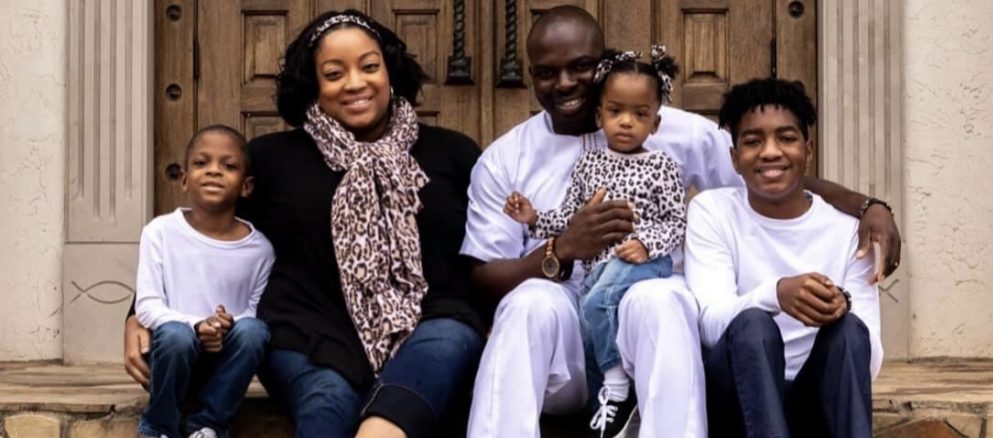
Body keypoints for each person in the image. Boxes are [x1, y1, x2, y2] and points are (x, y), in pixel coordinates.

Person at [461, 5, 900, 438]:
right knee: (528, 303)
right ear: (530, 75)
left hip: (647, 320)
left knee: (663, 297)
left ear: (605, 65)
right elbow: (483, 276)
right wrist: (561, 248)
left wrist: (867, 206)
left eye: (580, 67)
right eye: (546, 72)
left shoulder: (673, 130)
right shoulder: (506, 159)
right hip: (564, 339)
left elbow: (771, 171)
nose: (565, 83)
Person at [125, 10, 485, 438]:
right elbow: (205, 232)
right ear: (313, 84)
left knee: (442, 348)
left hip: (432, 326)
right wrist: (138, 313)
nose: (355, 83)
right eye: (334, 74)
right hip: (305, 334)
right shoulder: (272, 160)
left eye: (369, 66)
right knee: (327, 401)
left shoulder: (453, 154)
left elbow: (491, 251)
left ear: (390, 71)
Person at [503, 47, 685, 437]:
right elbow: (570, 218)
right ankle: (604, 404)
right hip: (598, 270)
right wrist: (533, 219)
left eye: (640, 114)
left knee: (597, 302)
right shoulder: (589, 164)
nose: (626, 122)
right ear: (600, 115)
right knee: (590, 314)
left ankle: (617, 384)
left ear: (655, 123)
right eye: (616, 111)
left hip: (643, 263)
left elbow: (676, 222)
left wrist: (646, 245)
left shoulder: (662, 166)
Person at [685, 78, 882, 437]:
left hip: (814, 397)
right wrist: (776, 294)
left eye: (786, 138)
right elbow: (710, 325)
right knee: (753, 324)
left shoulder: (851, 231)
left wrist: (841, 306)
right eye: (753, 141)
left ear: (808, 151)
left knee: (852, 329)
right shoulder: (713, 211)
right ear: (734, 158)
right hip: (736, 399)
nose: (770, 152)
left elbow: (870, 358)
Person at [134, 125, 274, 438]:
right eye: (201, 163)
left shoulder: (260, 249)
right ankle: (159, 427)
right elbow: (147, 305)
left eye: (229, 165)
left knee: (254, 331)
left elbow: (253, 311)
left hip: (224, 365)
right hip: (171, 359)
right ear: (184, 179)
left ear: (246, 186)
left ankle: (209, 425)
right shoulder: (160, 232)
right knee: (176, 335)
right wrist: (198, 325)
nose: (213, 171)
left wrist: (225, 326)